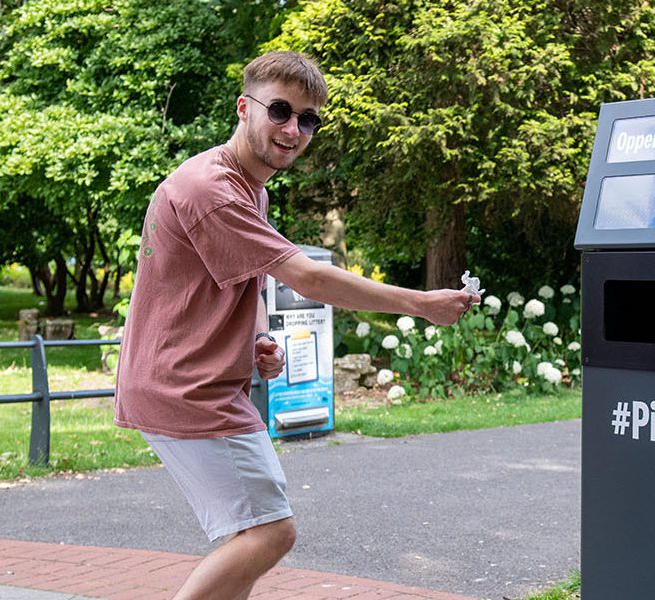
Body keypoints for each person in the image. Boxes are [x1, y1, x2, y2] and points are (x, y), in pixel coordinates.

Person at [114, 50, 475, 600]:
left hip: (190, 382)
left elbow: (249, 277)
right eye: (280, 111)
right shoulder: (211, 190)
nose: (293, 129)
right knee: (270, 532)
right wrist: (420, 303)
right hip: (186, 387)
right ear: (244, 107)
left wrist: (258, 335)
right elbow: (309, 278)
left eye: (308, 119)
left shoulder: (247, 187)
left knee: (248, 537)